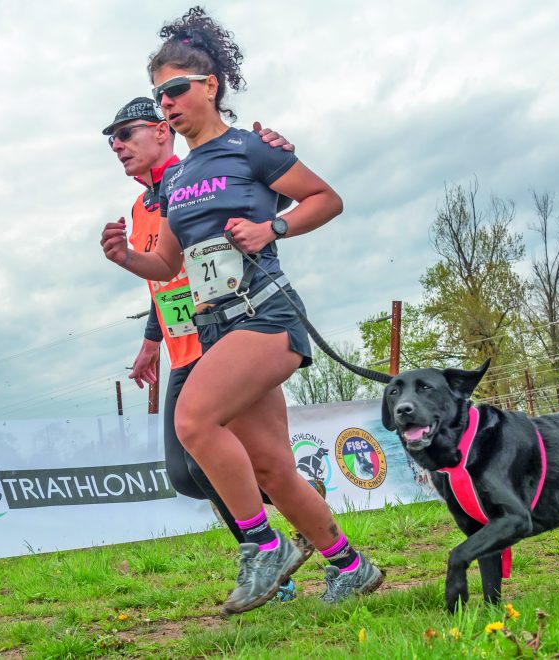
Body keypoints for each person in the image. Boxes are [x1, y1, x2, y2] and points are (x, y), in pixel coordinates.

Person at [101, 6, 383, 614]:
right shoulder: (176, 183)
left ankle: (261, 544)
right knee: (274, 468)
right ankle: (351, 566)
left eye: (176, 89)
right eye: (159, 94)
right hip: (216, 324)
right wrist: (128, 257)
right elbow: (169, 266)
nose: (167, 103)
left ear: (210, 87)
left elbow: (326, 198)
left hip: (265, 316)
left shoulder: (250, 148)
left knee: (193, 419)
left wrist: (271, 226)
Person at [101, 96, 311, 602]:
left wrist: (275, 150)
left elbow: (261, 193)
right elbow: (169, 273)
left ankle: (276, 550)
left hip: (231, 334)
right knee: (186, 473)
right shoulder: (139, 205)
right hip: (182, 343)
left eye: (125, 133)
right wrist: (152, 340)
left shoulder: (198, 172)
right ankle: (283, 528)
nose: (116, 145)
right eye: (111, 139)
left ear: (159, 131)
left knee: (215, 462)